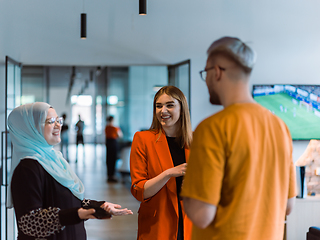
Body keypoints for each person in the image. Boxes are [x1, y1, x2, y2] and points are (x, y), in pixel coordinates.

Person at [180, 37, 297, 240]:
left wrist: (187, 190)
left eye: (205, 73)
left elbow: (201, 215)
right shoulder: (280, 127)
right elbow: (288, 205)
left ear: (216, 72)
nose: (206, 79)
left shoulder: (212, 128)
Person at [7, 102, 133, 240]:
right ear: (30, 128)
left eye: (58, 120)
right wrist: (76, 214)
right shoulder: (27, 169)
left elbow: (66, 200)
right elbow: (29, 222)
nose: (58, 125)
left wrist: (99, 206)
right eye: (50, 121)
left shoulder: (55, 159)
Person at [130, 86, 193, 240]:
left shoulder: (196, 142)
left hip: (191, 223)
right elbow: (140, 191)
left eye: (169, 105)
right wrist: (168, 173)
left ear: (182, 108)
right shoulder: (143, 139)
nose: (163, 111)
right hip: (158, 225)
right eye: (159, 106)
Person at [105, 115, 123, 183]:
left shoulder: (106, 127)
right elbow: (120, 135)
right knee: (113, 159)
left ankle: (109, 175)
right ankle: (112, 175)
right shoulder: (115, 128)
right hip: (113, 143)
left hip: (108, 143)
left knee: (109, 159)